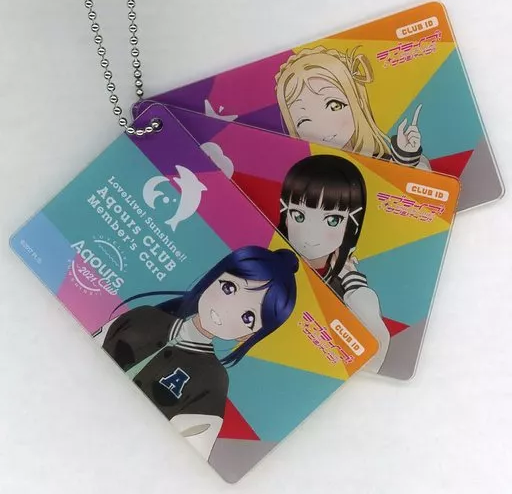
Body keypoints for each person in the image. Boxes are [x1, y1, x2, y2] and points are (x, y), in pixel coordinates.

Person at [94, 246, 299, 459]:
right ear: (212, 278)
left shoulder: (213, 381)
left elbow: (186, 455)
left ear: (248, 336)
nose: (228, 309)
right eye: (229, 288)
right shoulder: (144, 317)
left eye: (248, 317)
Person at [278, 155, 389, 372]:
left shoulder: (346, 290)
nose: (311, 234)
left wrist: (354, 286)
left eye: (332, 220)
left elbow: (372, 356)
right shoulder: (268, 267)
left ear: (352, 222)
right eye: (299, 215)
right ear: (285, 213)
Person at [275, 46, 431, 170]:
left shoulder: (379, 161)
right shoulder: (305, 175)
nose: (322, 126)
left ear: (358, 103)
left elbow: (413, 188)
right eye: (303, 120)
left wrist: (406, 156)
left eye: (334, 105)